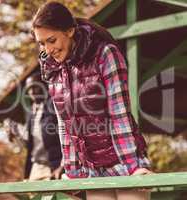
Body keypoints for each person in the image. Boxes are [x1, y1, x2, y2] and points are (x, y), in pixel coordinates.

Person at [31, 2, 152, 200]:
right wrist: (73, 173)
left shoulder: (105, 54)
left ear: (69, 31)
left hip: (123, 161)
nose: (48, 49)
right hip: (93, 171)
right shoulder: (54, 70)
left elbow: (119, 113)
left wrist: (133, 168)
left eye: (52, 40)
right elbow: (65, 126)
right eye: (42, 43)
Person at [8, 72, 63, 181]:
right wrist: (16, 135)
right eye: (29, 89)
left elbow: (67, 135)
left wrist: (63, 165)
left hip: (54, 167)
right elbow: (31, 145)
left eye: (35, 87)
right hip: (36, 167)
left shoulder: (54, 106)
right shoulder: (31, 113)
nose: (32, 92)